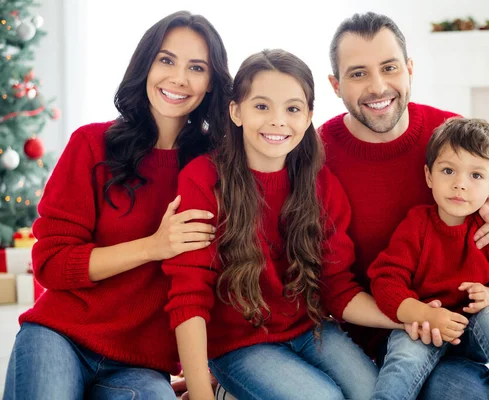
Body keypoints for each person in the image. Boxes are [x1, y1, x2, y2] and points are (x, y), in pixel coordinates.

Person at [320, 11, 489, 399]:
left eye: (389, 67)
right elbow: (335, 288)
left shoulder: (447, 130)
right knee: (454, 392)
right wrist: (411, 316)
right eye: (358, 73)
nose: (378, 86)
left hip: (487, 304)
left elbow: (482, 195)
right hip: (402, 324)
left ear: (409, 69)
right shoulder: (318, 157)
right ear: (335, 84)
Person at [2, 11, 232, 400]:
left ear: (211, 83)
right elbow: (51, 262)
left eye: (196, 67)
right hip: (60, 336)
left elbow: (220, 276)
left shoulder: (216, 167)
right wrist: (153, 247)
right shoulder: (91, 145)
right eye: (166, 59)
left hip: (142, 363)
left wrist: (206, 369)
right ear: (146, 65)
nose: (178, 77)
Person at [162, 49, 411, 400]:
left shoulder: (320, 183)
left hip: (309, 329)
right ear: (236, 111)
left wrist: (407, 318)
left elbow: (337, 288)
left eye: (292, 108)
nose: (278, 121)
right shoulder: (204, 180)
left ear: (309, 116)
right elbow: (189, 298)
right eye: (262, 106)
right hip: (237, 346)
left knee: (377, 394)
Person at [369, 117, 489, 400]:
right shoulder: (417, 224)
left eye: (475, 176)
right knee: (405, 351)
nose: (459, 185)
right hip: (425, 327)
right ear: (429, 176)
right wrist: (423, 315)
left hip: (475, 336)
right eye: (448, 170)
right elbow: (386, 281)